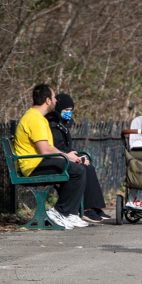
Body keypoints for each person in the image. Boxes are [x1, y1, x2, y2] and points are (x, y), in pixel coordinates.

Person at [13, 84, 88, 229]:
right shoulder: (34, 119)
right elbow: (45, 150)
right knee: (77, 171)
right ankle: (59, 212)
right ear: (47, 100)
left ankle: (69, 213)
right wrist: (67, 157)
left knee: (76, 168)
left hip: (37, 162)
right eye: (54, 97)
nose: (56, 101)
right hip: (32, 166)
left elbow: (49, 148)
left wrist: (67, 156)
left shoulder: (38, 117)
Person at [45, 93, 111, 222]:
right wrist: (75, 156)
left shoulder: (63, 124)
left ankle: (94, 206)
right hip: (57, 158)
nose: (69, 113)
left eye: (71, 110)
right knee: (83, 168)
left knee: (88, 166)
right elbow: (57, 146)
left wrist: (77, 155)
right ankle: (86, 208)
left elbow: (65, 146)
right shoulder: (53, 124)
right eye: (66, 110)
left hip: (63, 156)